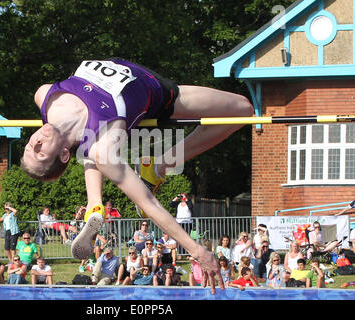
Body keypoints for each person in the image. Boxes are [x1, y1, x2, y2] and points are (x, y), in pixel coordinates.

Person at [20, 58, 253, 292]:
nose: (36, 142)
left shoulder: (45, 96)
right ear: (63, 155)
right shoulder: (102, 147)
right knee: (243, 109)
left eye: (30, 146)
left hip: (123, 85)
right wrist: (197, 250)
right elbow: (146, 202)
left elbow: (81, 139)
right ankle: (161, 165)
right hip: (159, 93)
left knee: (91, 142)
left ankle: (94, 203)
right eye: (39, 153)